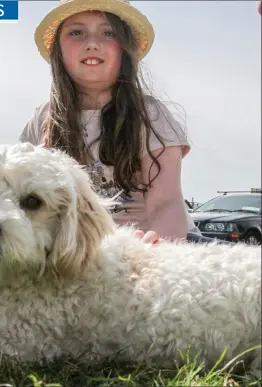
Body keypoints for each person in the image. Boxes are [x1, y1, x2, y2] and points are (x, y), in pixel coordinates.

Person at [20, 0, 199, 244]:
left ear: (124, 51)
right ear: (58, 51)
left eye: (108, 33)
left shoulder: (149, 114)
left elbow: (166, 202)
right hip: (81, 251)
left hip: (156, 242)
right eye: (76, 32)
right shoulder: (42, 119)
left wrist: (159, 249)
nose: (92, 43)